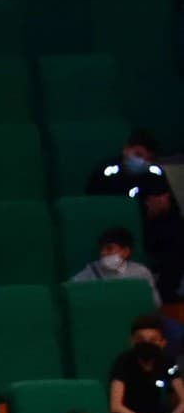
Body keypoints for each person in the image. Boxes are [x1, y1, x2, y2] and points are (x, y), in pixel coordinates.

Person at [70, 226, 161, 304]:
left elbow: (155, 302)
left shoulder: (141, 272)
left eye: (109, 248)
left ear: (125, 252)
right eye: (102, 249)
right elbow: (71, 289)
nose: (103, 252)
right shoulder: (92, 270)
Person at [134, 171, 184, 301]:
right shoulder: (137, 219)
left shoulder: (174, 220)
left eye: (166, 195)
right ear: (148, 200)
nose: (165, 199)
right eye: (159, 196)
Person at [87, 129, 164, 198]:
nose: (143, 162)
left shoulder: (154, 178)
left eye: (149, 159)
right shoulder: (104, 173)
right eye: (138, 154)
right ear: (126, 150)